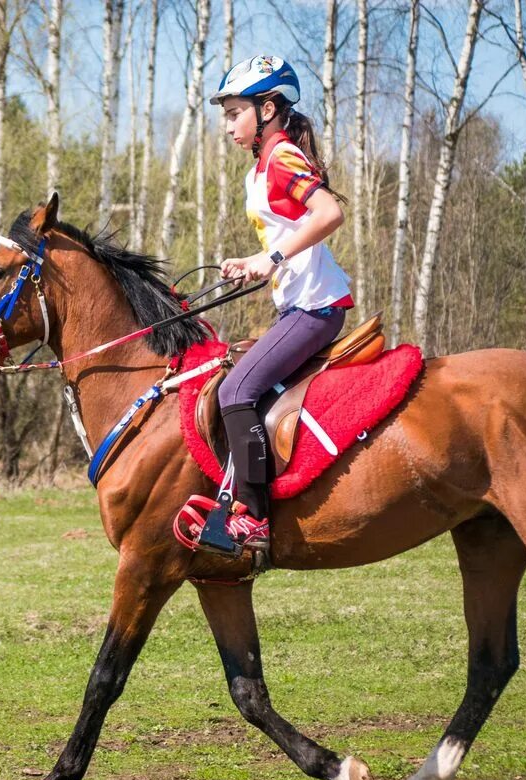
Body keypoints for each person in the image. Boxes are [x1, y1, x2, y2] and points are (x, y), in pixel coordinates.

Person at [212, 54, 354, 551]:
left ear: (267, 108)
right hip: (296, 306)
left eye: (235, 113)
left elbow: (329, 212)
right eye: (225, 115)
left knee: (234, 392)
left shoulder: (281, 158)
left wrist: (269, 257)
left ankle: (252, 518)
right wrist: (251, 262)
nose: (227, 124)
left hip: (316, 308)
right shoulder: (262, 167)